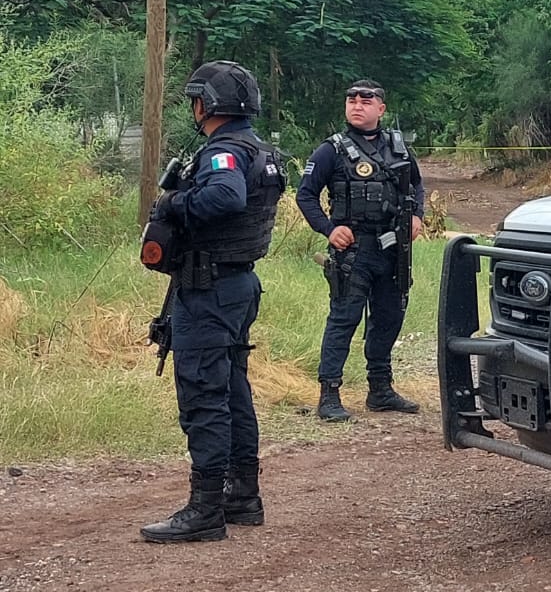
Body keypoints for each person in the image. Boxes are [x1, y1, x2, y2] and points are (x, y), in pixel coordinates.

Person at [141, 61, 286, 543]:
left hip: (210, 289)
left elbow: (224, 197)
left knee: (204, 394)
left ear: (207, 103)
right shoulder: (260, 150)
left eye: (195, 100)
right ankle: (242, 495)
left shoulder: (223, 151)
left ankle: (205, 510)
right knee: (233, 391)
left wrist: (172, 205)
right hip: (238, 285)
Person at [296, 79, 425, 422]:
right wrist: (328, 228)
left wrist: (417, 215)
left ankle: (380, 390)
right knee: (343, 320)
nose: (357, 104)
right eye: (351, 99)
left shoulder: (398, 147)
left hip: (393, 250)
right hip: (354, 251)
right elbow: (305, 195)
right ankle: (329, 395)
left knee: (388, 318)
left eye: (366, 100)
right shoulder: (332, 150)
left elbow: (416, 186)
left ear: (381, 108)